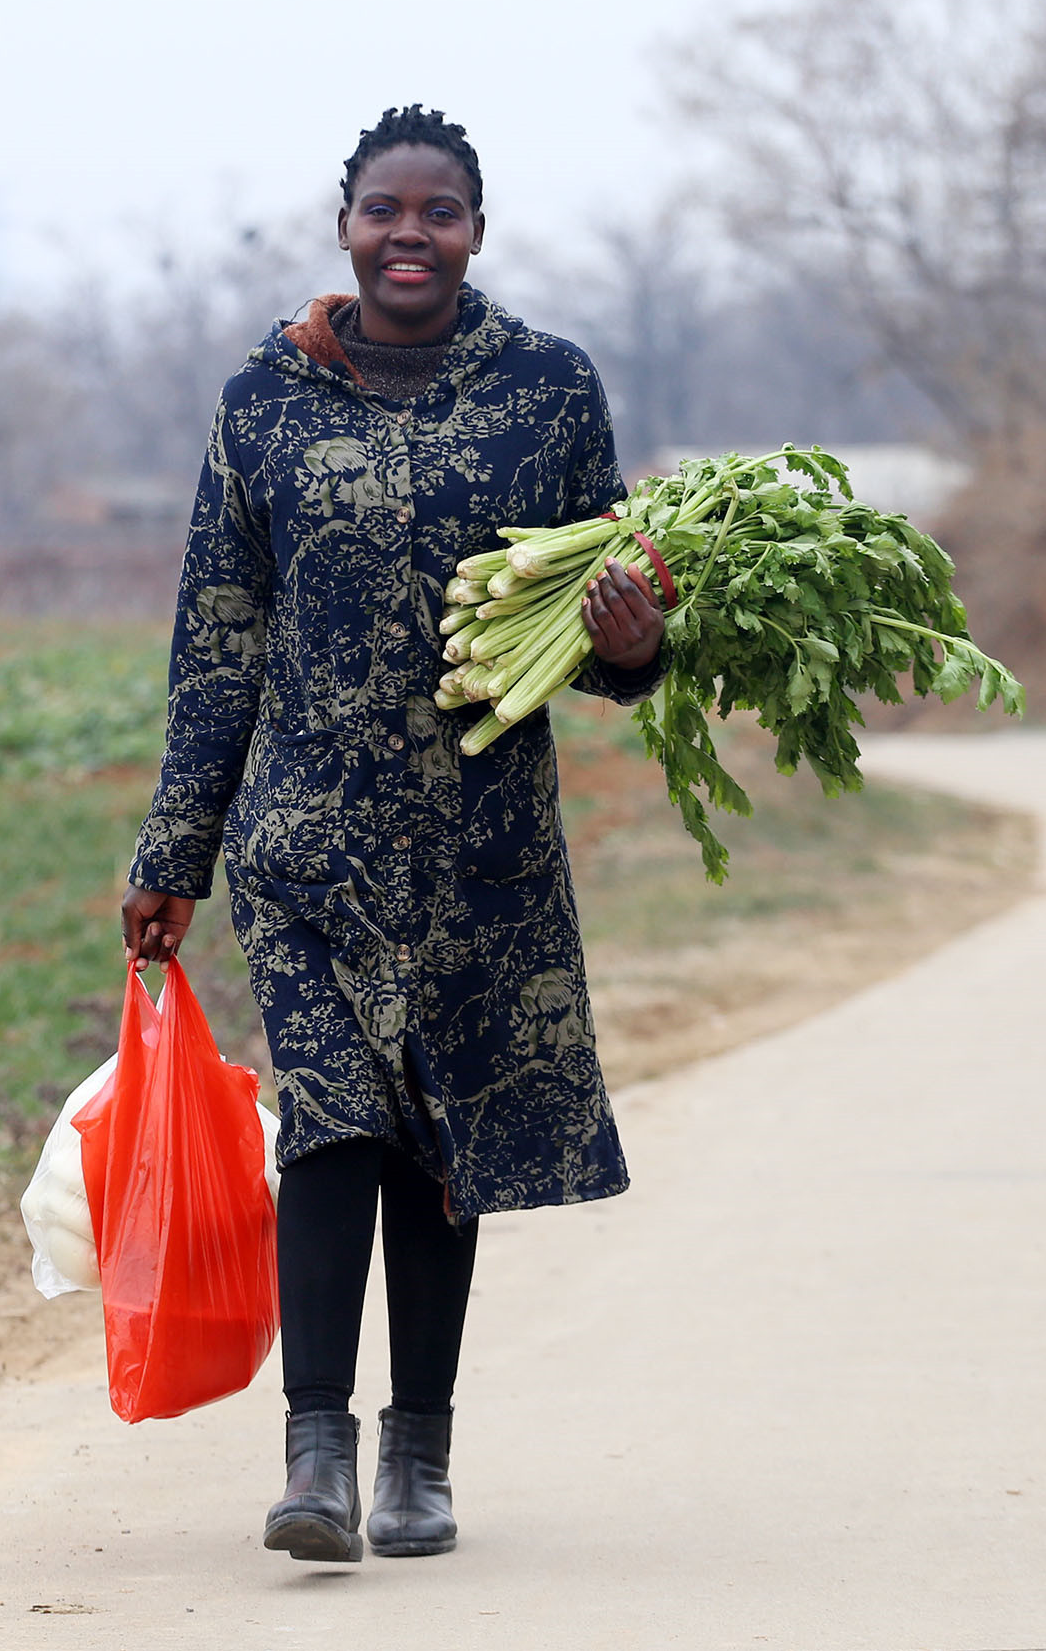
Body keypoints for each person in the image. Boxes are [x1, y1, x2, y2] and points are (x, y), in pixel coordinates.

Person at [119, 105, 667, 1563]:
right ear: (343, 222)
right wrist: (174, 852)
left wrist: (636, 640)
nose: (407, 234)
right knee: (331, 1126)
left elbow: (610, 632)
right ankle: (317, 1454)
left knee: (443, 1141)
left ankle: (418, 1462)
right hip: (306, 848)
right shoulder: (265, 403)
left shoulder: (551, 391)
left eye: (438, 212)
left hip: (481, 846)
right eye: (384, 209)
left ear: (478, 231)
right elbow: (218, 641)